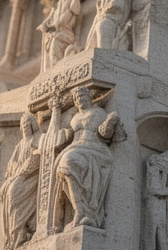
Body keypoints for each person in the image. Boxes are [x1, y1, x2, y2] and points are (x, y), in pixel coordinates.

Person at [52, 87, 122, 230]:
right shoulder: (75, 118)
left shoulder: (98, 113)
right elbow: (69, 136)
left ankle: (87, 212)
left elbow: (105, 134)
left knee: (68, 161)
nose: (79, 101)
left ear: (89, 97)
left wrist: (110, 121)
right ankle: (79, 210)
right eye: (76, 99)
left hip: (95, 149)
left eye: (82, 97)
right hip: (76, 147)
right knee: (64, 167)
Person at [0, 114, 42, 250]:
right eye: (23, 124)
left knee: (12, 193)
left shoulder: (36, 138)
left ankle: (20, 232)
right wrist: (15, 170)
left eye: (27, 123)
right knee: (7, 192)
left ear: (32, 125)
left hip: (30, 176)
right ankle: (13, 235)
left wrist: (22, 169)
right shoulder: (20, 144)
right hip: (19, 176)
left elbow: (37, 157)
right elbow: (11, 164)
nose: (25, 126)